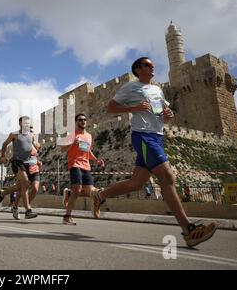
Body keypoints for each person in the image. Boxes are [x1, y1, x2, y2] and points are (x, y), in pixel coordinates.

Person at [92, 57, 218, 247]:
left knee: (136, 184)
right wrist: (133, 108)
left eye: (152, 65)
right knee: (167, 177)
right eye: (148, 65)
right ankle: (189, 230)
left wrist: (169, 115)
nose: (153, 68)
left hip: (157, 137)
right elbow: (110, 107)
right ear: (138, 69)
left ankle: (100, 195)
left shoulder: (157, 90)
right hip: (142, 137)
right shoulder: (131, 88)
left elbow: (162, 114)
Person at [60, 113, 105, 225]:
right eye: (80, 120)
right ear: (76, 122)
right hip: (75, 164)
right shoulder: (72, 135)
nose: (83, 121)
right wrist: (71, 144)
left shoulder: (89, 136)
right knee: (78, 188)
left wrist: (96, 160)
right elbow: (62, 150)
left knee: (91, 192)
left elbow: (88, 151)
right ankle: (67, 216)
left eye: (84, 120)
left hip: (86, 166)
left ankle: (69, 194)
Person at [0, 116, 38, 219]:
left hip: (29, 163)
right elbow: (4, 144)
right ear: (20, 124)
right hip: (17, 162)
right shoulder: (14, 135)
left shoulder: (32, 135)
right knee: (26, 184)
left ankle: (2, 194)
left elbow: (34, 148)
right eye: (24, 123)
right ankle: (28, 210)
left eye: (28, 123)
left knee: (19, 187)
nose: (26, 125)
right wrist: (2, 156)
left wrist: (37, 156)